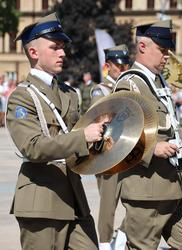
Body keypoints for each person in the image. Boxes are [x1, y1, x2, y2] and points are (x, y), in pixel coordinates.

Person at [6, 12, 108, 250]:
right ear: (34, 53)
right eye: (55, 47)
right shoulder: (22, 96)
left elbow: (79, 145)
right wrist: (83, 136)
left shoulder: (69, 93)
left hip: (74, 198)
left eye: (63, 47)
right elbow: (32, 147)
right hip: (41, 199)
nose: (63, 53)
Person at [113, 19, 182, 250]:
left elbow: (168, 125)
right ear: (143, 47)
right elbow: (116, 134)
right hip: (146, 189)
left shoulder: (159, 82)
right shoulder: (130, 84)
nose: (167, 56)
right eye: (162, 50)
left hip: (173, 185)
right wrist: (153, 147)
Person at [91, 44, 130, 250]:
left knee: (138, 199)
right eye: (119, 66)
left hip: (129, 150)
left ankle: (122, 235)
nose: (123, 70)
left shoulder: (130, 87)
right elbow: (102, 117)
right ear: (108, 66)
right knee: (109, 203)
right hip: (108, 153)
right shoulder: (101, 89)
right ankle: (105, 243)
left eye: (126, 66)